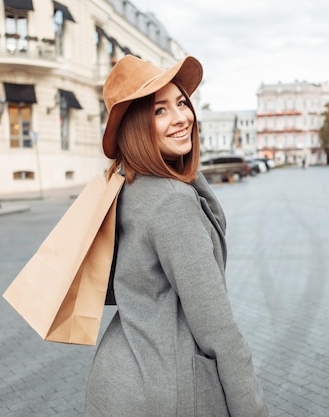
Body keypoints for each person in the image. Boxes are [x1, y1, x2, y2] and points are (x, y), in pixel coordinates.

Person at [85, 55, 268, 417]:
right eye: (159, 111)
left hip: (119, 375)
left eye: (182, 103)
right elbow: (219, 332)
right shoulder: (172, 203)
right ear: (136, 126)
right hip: (161, 390)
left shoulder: (128, 185)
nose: (182, 117)